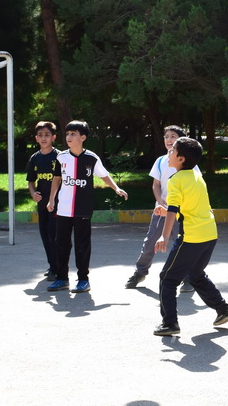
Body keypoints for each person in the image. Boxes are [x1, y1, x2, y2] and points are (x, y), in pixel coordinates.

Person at [151, 137, 228, 336]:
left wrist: (163, 236)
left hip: (192, 236)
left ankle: (169, 323)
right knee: (195, 274)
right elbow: (188, 206)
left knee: (167, 278)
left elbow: (173, 210)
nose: (169, 154)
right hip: (209, 233)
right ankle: (223, 310)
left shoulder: (176, 180)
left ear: (180, 159)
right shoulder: (197, 176)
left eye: (172, 151)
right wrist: (166, 212)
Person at [46, 120, 129, 293]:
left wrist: (116, 188)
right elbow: (56, 179)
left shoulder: (91, 157)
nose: (69, 137)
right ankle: (62, 278)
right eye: (67, 134)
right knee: (61, 244)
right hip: (63, 209)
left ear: (83, 137)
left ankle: (83, 279)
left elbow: (104, 175)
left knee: (82, 244)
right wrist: (51, 199)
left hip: (83, 208)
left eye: (73, 134)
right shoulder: (61, 157)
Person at [125, 125, 200, 292]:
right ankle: (140, 272)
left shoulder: (188, 162)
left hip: (181, 212)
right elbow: (156, 185)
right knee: (151, 241)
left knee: (183, 245)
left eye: (173, 137)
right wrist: (160, 202)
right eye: (166, 137)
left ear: (181, 140)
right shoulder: (160, 161)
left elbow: (196, 185)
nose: (168, 140)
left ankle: (189, 278)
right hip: (161, 211)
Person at [25, 121, 60, 281]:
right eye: (40, 135)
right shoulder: (34, 158)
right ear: (36, 138)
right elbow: (31, 181)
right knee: (45, 235)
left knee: (54, 235)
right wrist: (33, 193)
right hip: (42, 203)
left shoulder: (59, 156)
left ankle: (57, 267)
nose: (43, 138)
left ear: (53, 137)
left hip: (57, 204)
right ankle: (52, 265)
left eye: (47, 135)